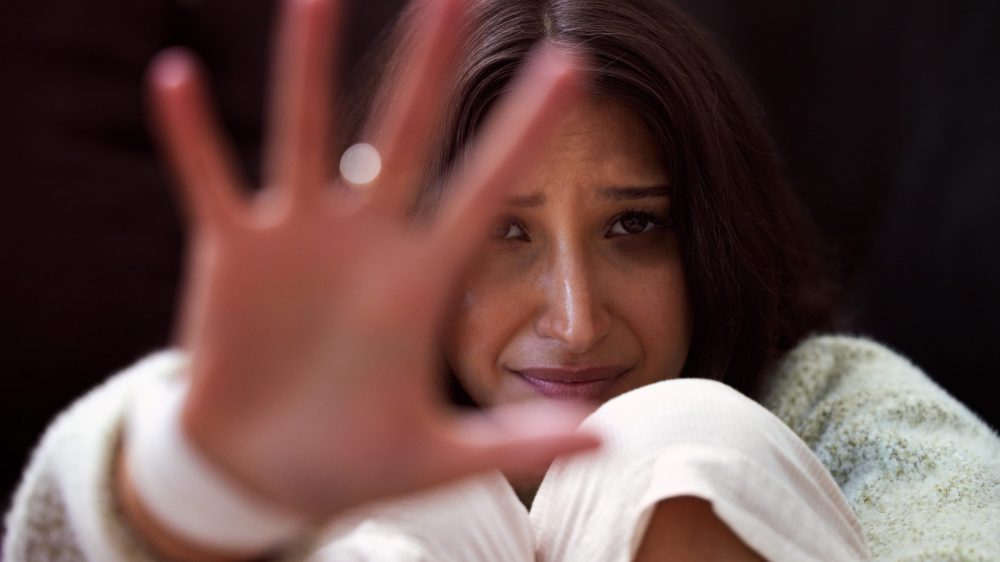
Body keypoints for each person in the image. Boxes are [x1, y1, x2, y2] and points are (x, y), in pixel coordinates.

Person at [4, 0, 999, 560]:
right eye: (501, 234)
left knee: (675, 437)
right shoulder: (307, 427)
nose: (573, 319)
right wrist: (201, 485)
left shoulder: (832, 401)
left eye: (634, 226)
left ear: (707, 237)